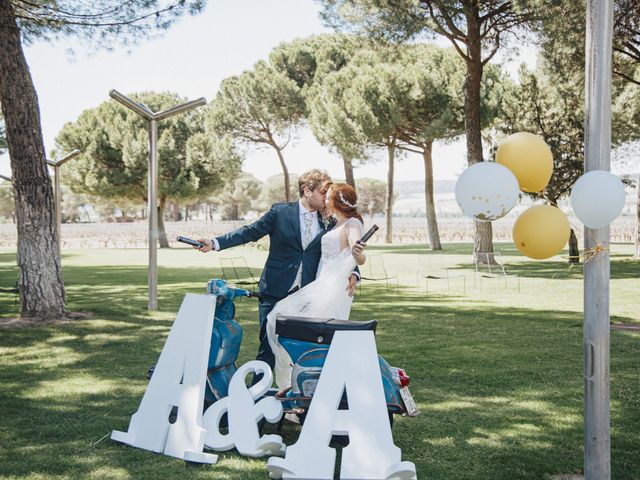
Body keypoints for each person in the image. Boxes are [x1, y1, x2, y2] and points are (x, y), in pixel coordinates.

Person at [195, 170, 360, 378]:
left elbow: (343, 249)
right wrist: (215, 243)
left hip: (308, 295)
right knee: (268, 348)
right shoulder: (280, 212)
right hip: (274, 290)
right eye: (322, 192)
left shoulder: (328, 220)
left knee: (303, 349)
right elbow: (250, 232)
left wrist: (355, 271)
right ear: (307, 191)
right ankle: (255, 397)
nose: (326, 197)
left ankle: (298, 397)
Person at [266, 183, 367, 388]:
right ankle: (301, 385)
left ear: (336, 201)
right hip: (320, 283)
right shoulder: (334, 223)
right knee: (296, 330)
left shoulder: (352, 224)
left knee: (321, 338)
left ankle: (327, 386)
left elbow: (358, 254)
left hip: (333, 289)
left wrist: (357, 260)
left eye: (328, 197)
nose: (324, 201)